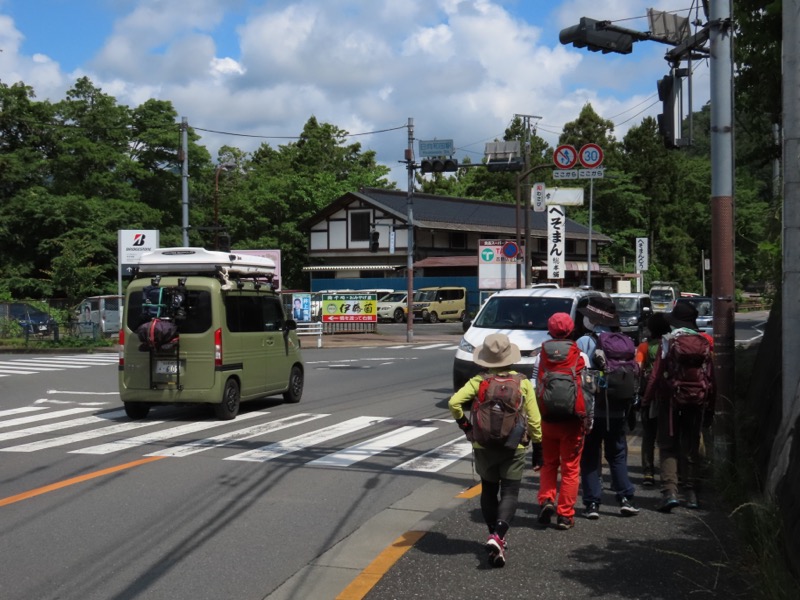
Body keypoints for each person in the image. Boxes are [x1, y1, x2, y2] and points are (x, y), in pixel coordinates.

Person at [449, 333, 542, 568]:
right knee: (510, 492)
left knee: (489, 490)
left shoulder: (479, 381)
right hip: (514, 445)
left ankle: (493, 535)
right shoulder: (521, 382)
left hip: (483, 444)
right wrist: (538, 445)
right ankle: (499, 537)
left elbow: (454, 403)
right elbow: (534, 418)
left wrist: (465, 425)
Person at [644, 302, 715, 512]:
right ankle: (692, 494)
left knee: (668, 446)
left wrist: (647, 400)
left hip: (670, 401)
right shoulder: (703, 342)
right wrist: (711, 404)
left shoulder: (668, 341)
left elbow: (656, 374)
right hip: (697, 400)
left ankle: (670, 493)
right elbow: (712, 377)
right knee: (692, 445)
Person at [576, 296, 640, 519]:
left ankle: (592, 504)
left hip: (593, 409)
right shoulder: (625, 341)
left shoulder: (585, 342)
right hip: (618, 407)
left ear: (593, 321)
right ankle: (625, 498)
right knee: (618, 454)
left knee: (591, 455)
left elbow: (577, 375)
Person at [535, 312, 592, 531]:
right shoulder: (580, 356)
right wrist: (588, 419)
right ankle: (565, 515)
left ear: (550, 330)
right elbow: (587, 392)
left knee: (549, 464)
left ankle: (546, 500)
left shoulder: (542, 355)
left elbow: (536, 385)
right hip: (573, 421)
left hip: (548, 418)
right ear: (571, 330)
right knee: (570, 469)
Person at [635, 312, 672, 487]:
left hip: (649, 395)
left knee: (648, 435)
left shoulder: (644, 346)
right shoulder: (672, 344)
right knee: (668, 435)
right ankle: (673, 473)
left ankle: (648, 473)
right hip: (668, 395)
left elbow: (638, 368)